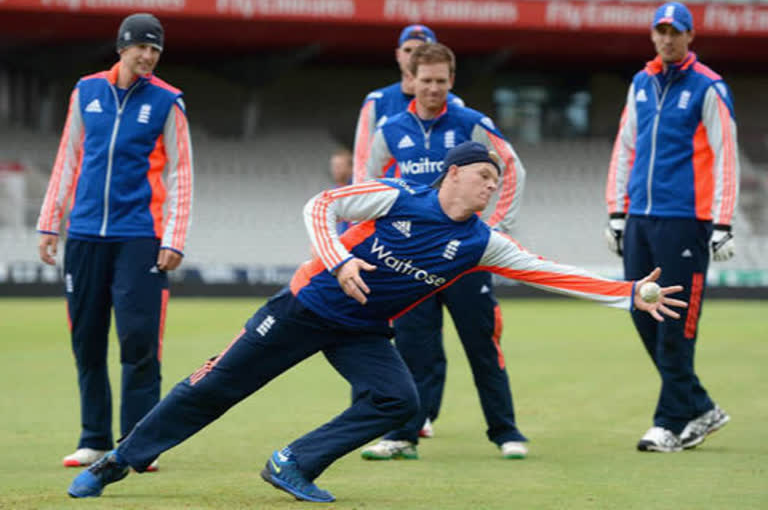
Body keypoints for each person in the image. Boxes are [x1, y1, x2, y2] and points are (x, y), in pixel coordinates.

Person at [67, 141, 686, 503]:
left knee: (398, 403)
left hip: (362, 331)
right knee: (215, 387)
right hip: (304, 306)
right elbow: (319, 206)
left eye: (496, 183)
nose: (490, 189)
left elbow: (546, 270)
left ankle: (292, 463)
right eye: (483, 177)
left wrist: (631, 292)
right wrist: (338, 262)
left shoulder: (479, 242)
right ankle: (117, 460)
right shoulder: (398, 198)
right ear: (453, 174)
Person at [36, 12, 194, 470]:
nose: (148, 56)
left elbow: (181, 174)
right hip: (83, 235)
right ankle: (94, 439)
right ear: (122, 47)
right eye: (141, 47)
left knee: (139, 340)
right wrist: (50, 223)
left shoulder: (169, 102)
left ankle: (139, 445)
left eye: (155, 50)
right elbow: (68, 157)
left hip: (140, 237)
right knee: (86, 340)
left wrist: (174, 236)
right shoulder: (86, 92)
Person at [356, 42, 528, 460]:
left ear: (452, 81)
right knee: (414, 348)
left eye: (441, 81)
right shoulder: (390, 129)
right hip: (412, 262)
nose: (433, 89)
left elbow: (513, 169)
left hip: (466, 261)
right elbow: (368, 186)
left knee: (482, 345)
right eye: (426, 80)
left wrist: (495, 226)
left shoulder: (472, 122)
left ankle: (505, 432)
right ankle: (403, 435)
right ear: (411, 80)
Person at [604, 1, 738, 453]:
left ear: (689, 36)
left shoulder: (709, 87)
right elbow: (625, 147)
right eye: (659, 31)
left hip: (687, 219)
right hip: (640, 216)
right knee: (642, 310)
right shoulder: (641, 83)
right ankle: (700, 406)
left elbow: (726, 156)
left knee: (676, 322)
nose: (666, 39)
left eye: (674, 32)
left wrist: (722, 221)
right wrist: (615, 212)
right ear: (652, 36)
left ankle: (668, 422)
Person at [352, 23, 464, 438]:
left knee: (426, 335)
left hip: (435, 236)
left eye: (422, 49)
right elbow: (365, 163)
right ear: (402, 58)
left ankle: (422, 414)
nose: (414, 55)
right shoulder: (377, 103)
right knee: (374, 324)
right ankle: (372, 408)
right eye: (408, 49)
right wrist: (359, 224)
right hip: (390, 235)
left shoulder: (454, 107)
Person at [329, 147, 353, 235]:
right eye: (334, 166)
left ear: (351, 168)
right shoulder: (332, 193)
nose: (335, 170)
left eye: (339, 166)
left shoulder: (358, 190)